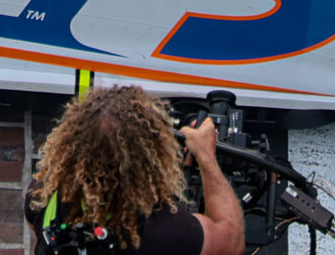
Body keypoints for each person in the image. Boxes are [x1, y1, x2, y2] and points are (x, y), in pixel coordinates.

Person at [23, 83, 243, 255]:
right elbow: (231, 243)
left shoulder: (42, 194)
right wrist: (205, 156)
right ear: (149, 161)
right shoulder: (164, 233)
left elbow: (37, 230)